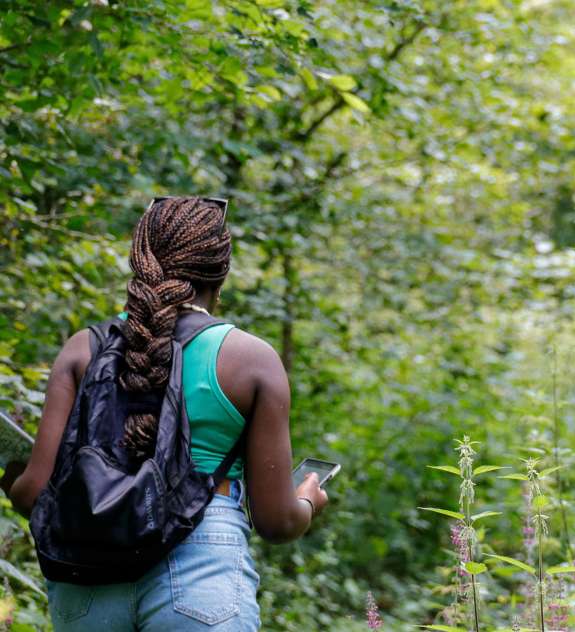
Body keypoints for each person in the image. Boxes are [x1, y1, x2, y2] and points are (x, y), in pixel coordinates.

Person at [1, 197, 329, 631]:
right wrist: (307, 499)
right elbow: (277, 521)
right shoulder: (250, 360)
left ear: (141, 261)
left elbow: (32, 495)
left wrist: (12, 471)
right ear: (221, 275)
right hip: (201, 567)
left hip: (88, 576)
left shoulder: (84, 348)